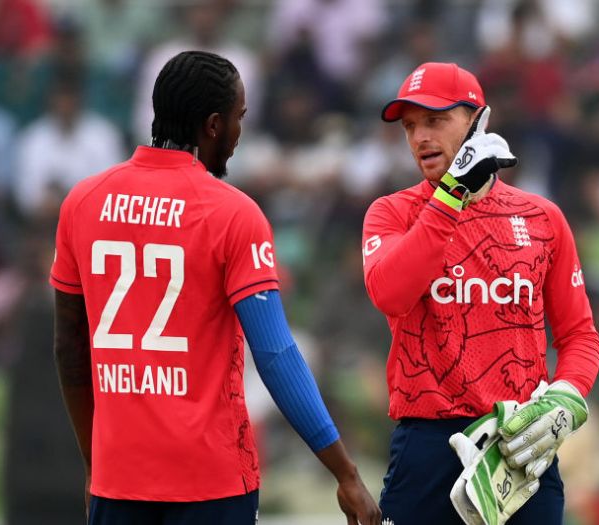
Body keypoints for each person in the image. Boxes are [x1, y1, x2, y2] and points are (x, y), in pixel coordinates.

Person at [50, 50, 380, 525]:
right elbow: (276, 354)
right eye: (238, 118)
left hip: (117, 479)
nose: (239, 135)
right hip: (211, 481)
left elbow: (68, 347)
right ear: (212, 124)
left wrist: (93, 464)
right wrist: (345, 472)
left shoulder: (82, 202)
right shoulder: (233, 213)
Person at [361, 62, 599, 524]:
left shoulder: (542, 217)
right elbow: (390, 293)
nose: (419, 138)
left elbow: (579, 335)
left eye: (435, 121)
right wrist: (451, 194)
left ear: (478, 122)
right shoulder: (391, 212)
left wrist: (567, 397)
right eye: (410, 126)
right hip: (427, 446)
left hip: (519, 448)